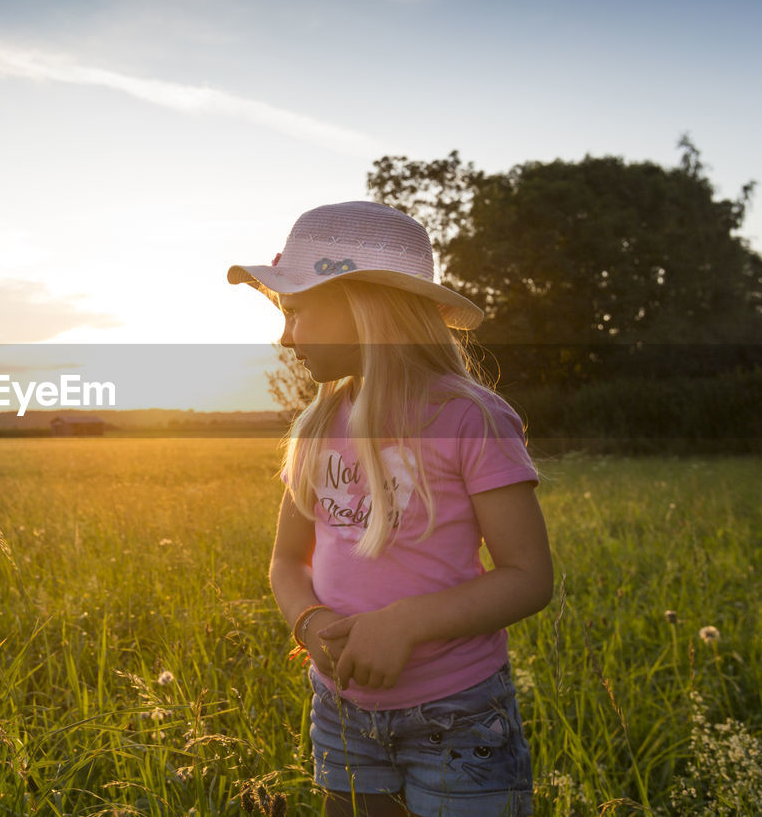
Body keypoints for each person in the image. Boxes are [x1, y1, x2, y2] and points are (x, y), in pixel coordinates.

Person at [227, 201, 553, 817]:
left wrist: (404, 623)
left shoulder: (468, 418)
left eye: (295, 312)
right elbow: (287, 563)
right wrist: (310, 622)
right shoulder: (318, 426)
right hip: (341, 707)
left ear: (361, 308)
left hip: (457, 712)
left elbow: (528, 577)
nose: (285, 336)